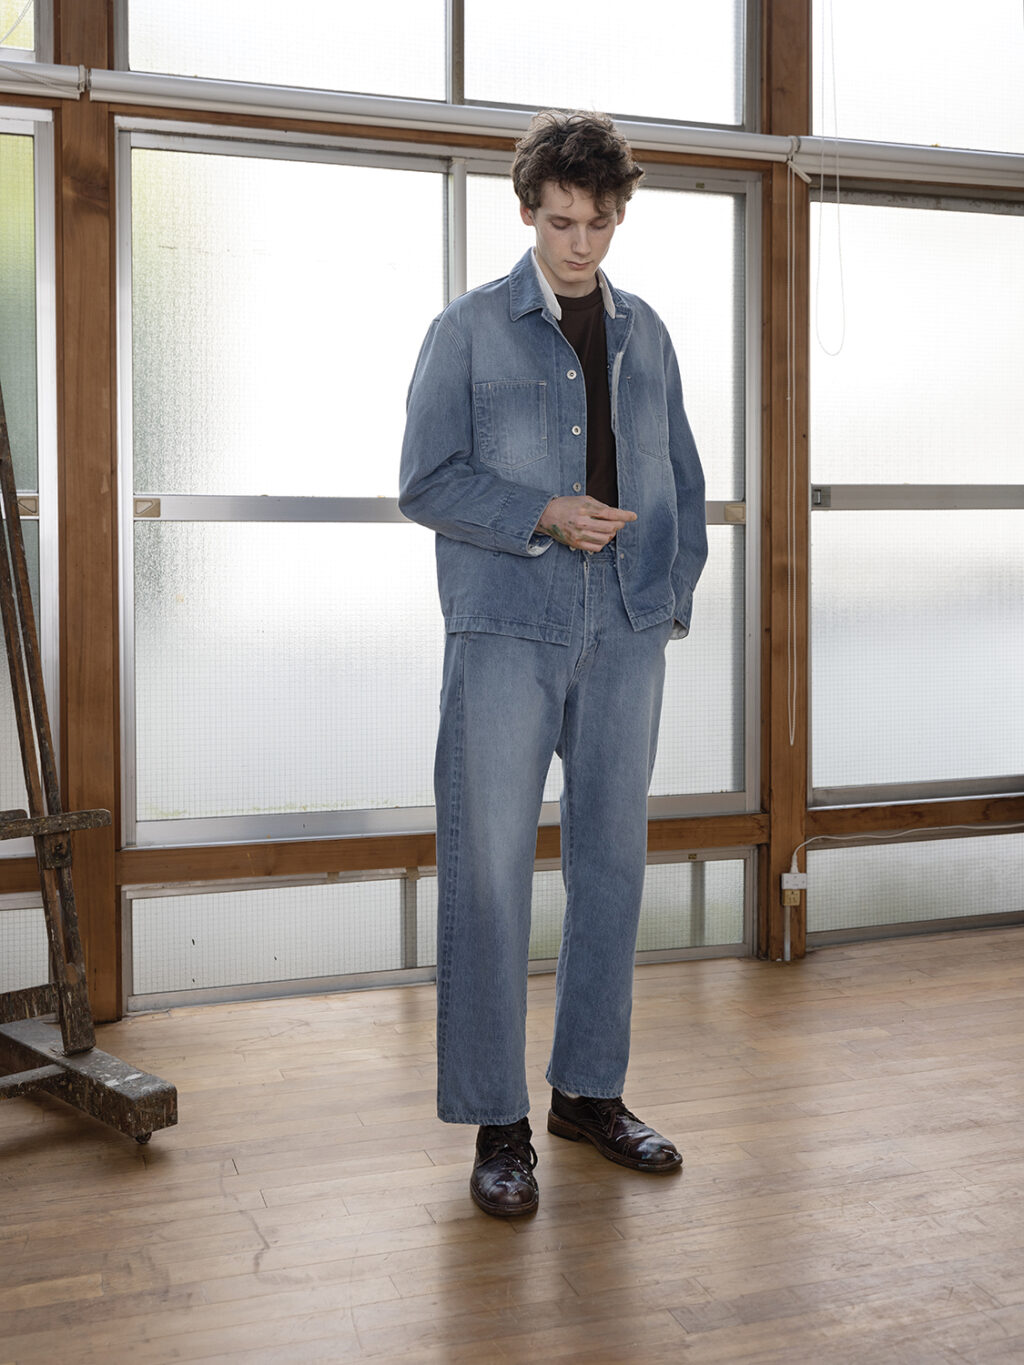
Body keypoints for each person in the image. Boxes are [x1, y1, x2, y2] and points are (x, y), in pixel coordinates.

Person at [399, 109, 707, 1217]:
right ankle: (499, 1123)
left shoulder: (647, 333)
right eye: (562, 221)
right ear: (528, 210)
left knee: (611, 868)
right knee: (488, 873)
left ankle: (587, 1093)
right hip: (506, 628)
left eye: (599, 223)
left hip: (623, 630)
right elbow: (425, 480)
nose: (580, 243)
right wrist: (542, 510)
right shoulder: (468, 330)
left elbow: (681, 480)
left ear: (619, 216)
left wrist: (665, 604)